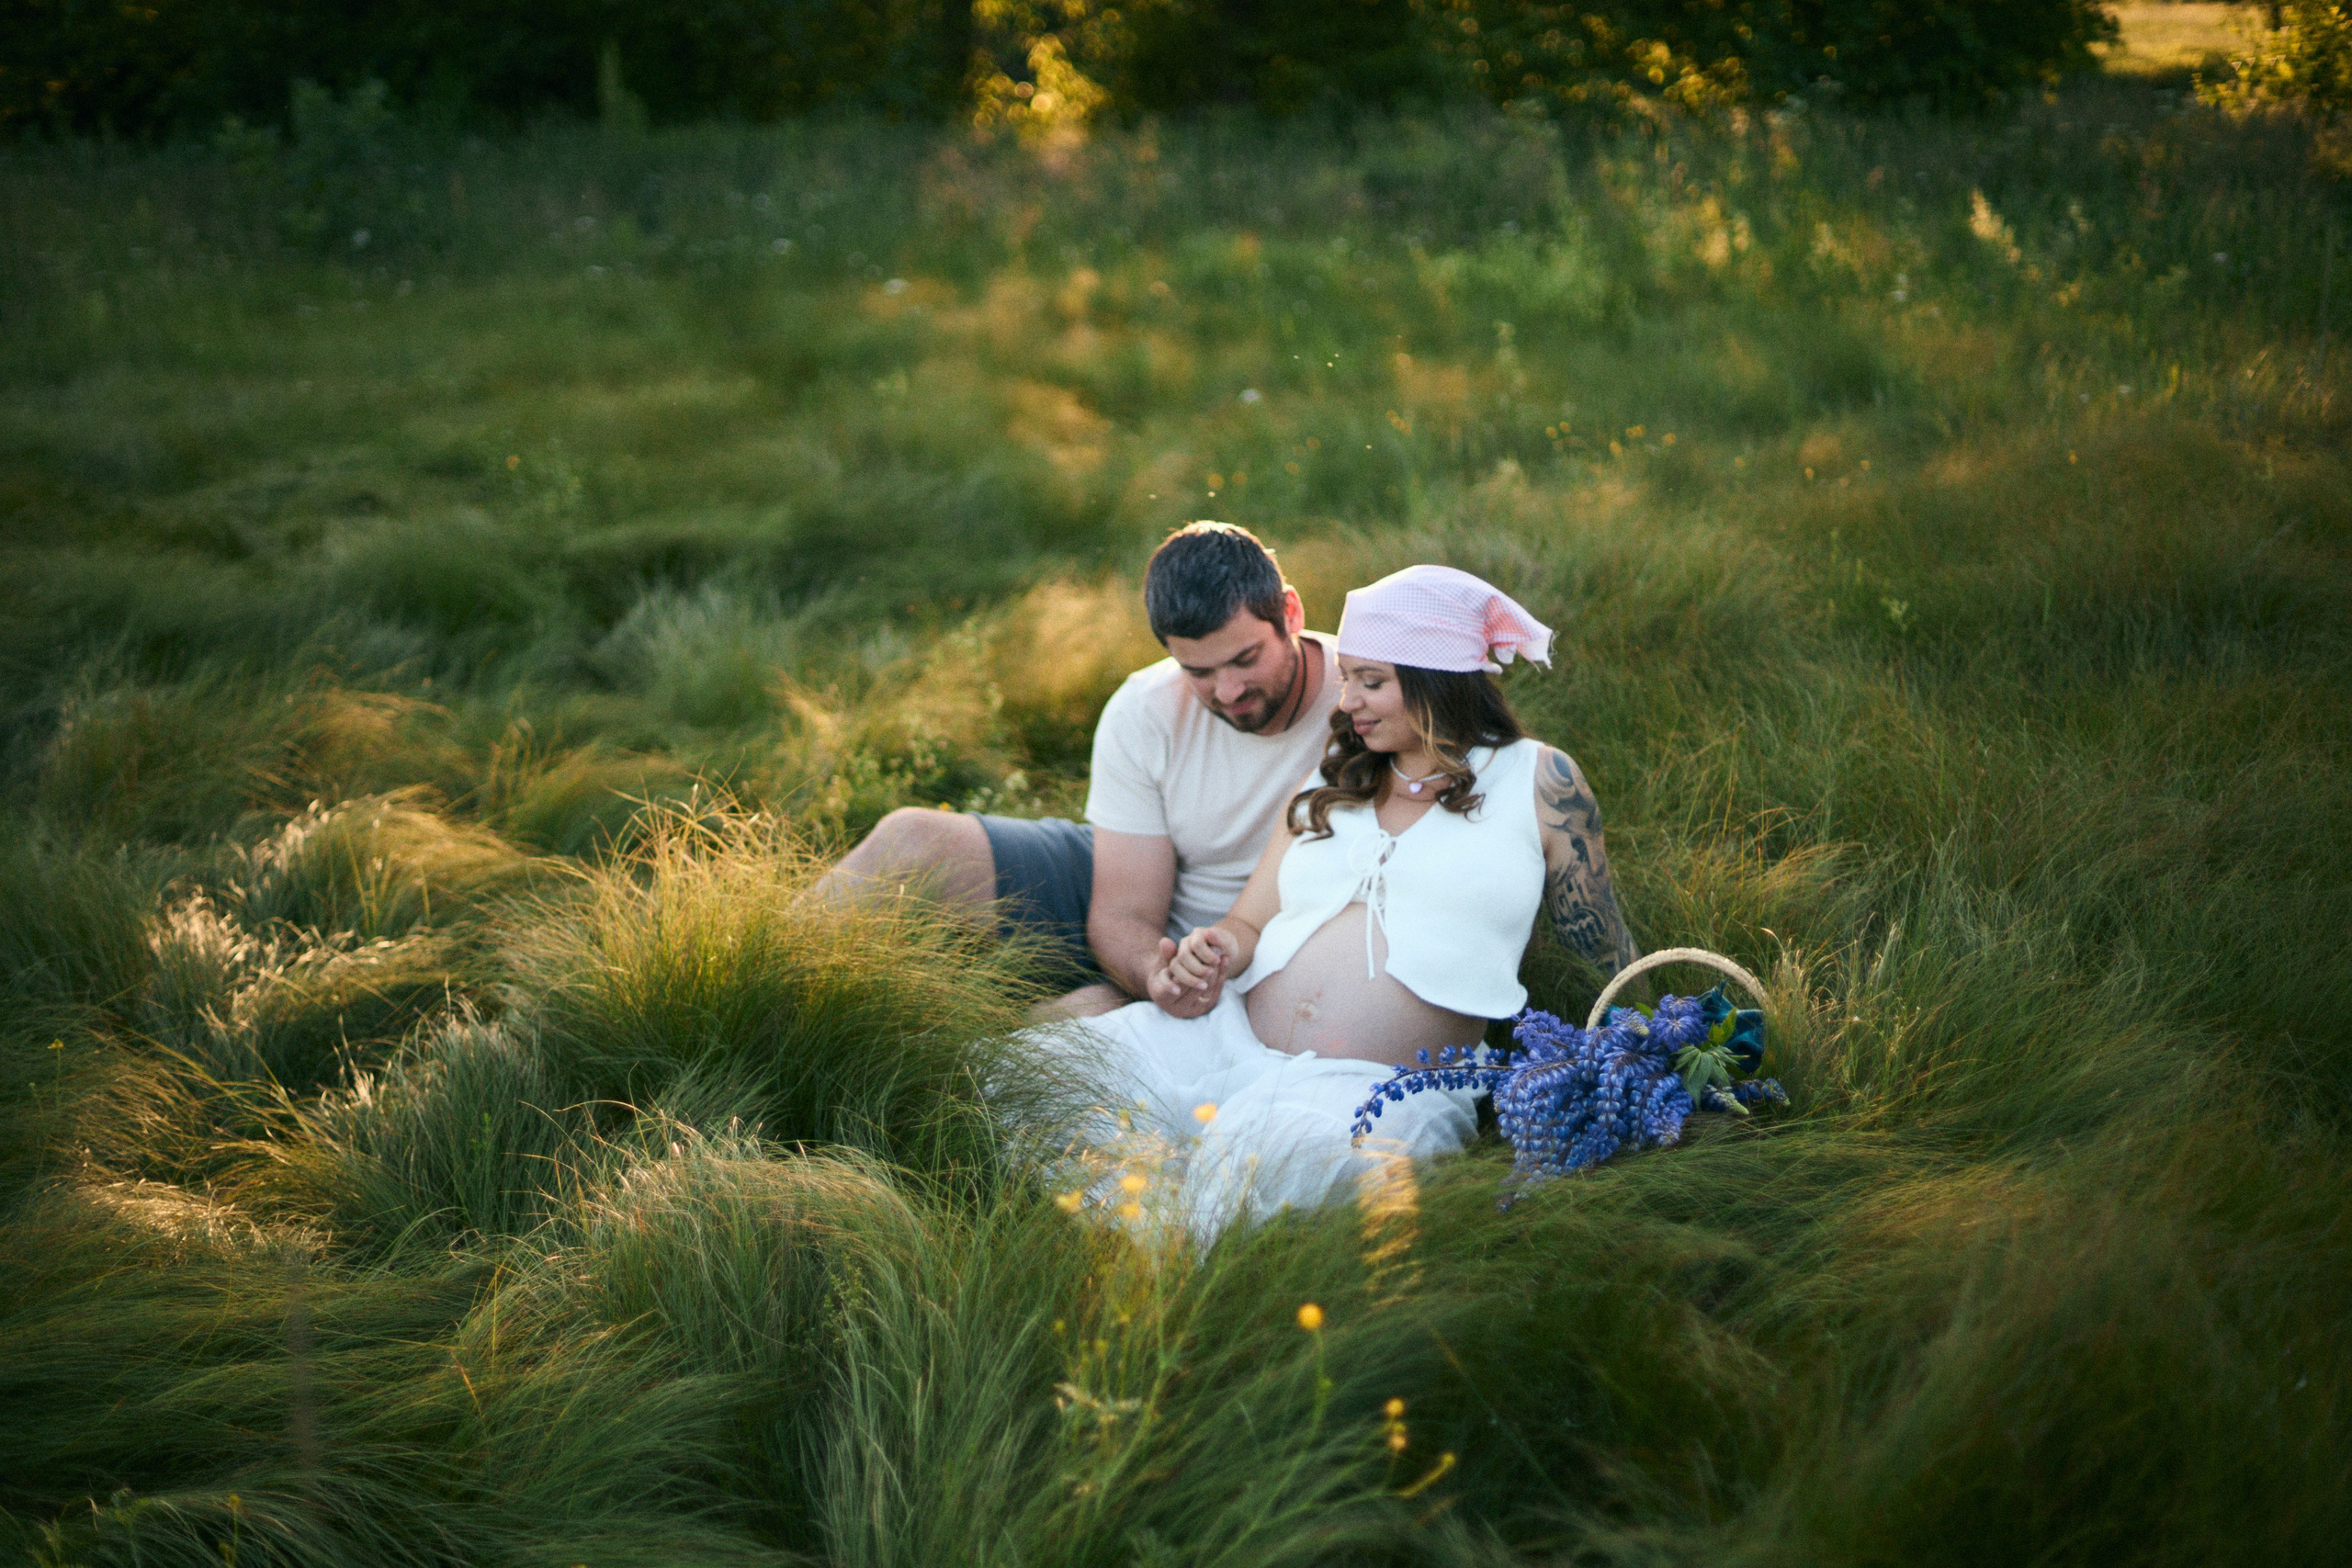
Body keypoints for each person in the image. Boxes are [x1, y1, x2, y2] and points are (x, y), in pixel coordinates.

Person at [1023, 563, 1639, 1245]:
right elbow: (1248, 920)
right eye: (1347, 677)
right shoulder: (1340, 772)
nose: (1348, 702)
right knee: (1035, 1075)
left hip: (1376, 1086)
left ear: (1437, 676)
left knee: (1260, 1176)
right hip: (1230, 1038)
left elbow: (1606, 957)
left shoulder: (1537, 779)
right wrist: (1214, 950)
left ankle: (1163, 1278)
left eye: (1372, 681)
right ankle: (1123, 1254)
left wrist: (1652, 1053)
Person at [820, 523, 1342, 1018]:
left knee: (1073, 1025)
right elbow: (1124, 912)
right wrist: (1152, 973)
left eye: (1245, 660)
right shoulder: (1146, 709)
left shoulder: (1368, 700)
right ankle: (753, 980)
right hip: (1150, 912)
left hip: (1270, 949)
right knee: (910, 840)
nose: (1227, 692)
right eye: (1198, 672)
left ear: (1290, 614)